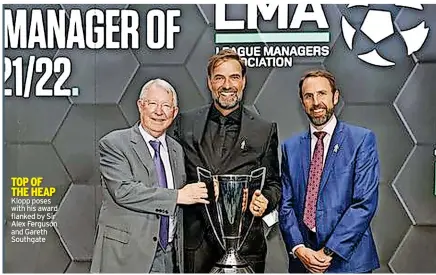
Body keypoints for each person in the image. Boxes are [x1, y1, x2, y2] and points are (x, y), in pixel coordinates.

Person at [172, 49, 281, 273]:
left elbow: (273, 184)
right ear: (210, 82)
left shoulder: (263, 129)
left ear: (243, 81)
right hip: (196, 245)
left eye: (234, 77)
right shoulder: (184, 123)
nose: (227, 85)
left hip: (246, 245)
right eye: (219, 77)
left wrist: (266, 201)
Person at [90, 79, 209, 273]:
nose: (159, 111)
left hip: (169, 256)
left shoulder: (176, 150)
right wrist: (178, 196)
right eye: (153, 103)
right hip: (127, 257)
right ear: (140, 106)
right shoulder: (114, 144)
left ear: (174, 112)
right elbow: (124, 191)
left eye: (166, 106)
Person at [279, 69, 380, 273]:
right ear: (302, 102)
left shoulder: (361, 140)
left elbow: (363, 204)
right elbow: (286, 204)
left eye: (322, 93)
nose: (316, 102)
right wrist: (299, 248)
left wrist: (327, 252)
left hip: (348, 263)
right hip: (303, 263)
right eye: (309, 96)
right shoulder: (290, 147)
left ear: (335, 97)